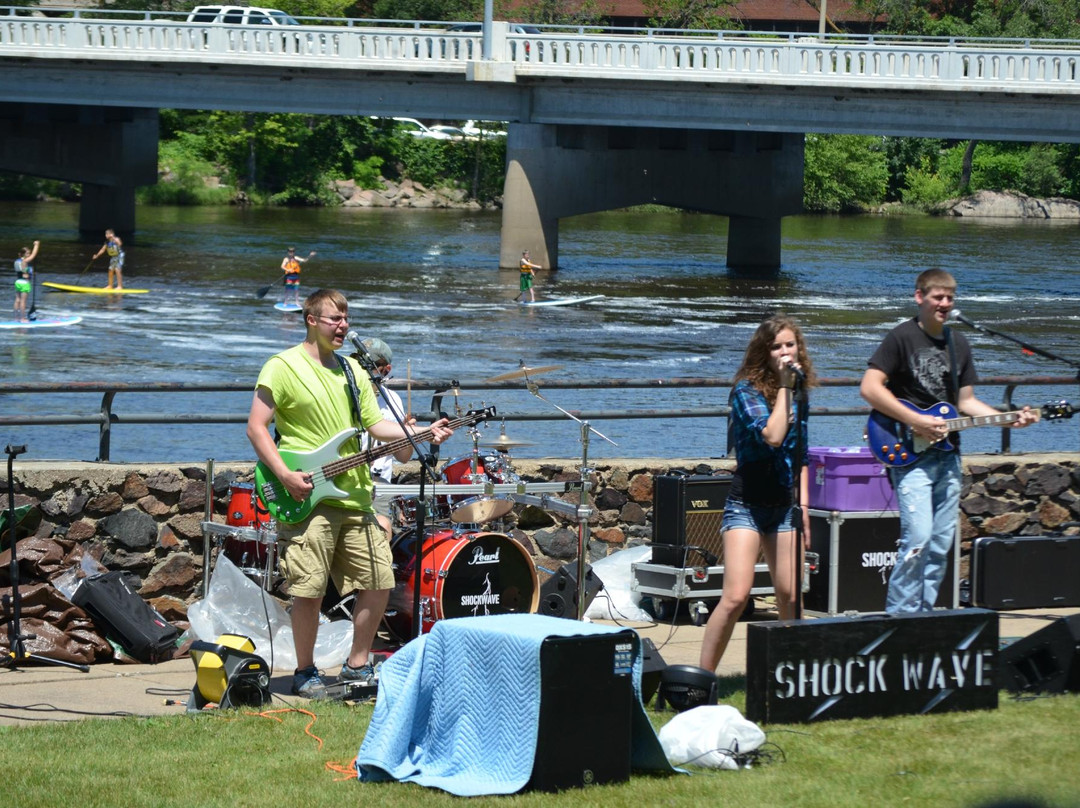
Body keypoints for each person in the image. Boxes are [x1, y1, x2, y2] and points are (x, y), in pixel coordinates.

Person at [246, 289, 453, 698]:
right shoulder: (282, 366)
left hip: (355, 494)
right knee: (309, 589)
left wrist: (423, 431)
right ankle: (305, 672)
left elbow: (378, 427)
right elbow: (256, 427)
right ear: (310, 320)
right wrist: (285, 474)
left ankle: (357, 665)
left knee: (379, 580)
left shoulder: (355, 372)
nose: (342, 325)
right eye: (333, 319)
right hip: (307, 495)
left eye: (345, 318)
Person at [860, 268, 1036, 614]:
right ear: (919, 297)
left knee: (941, 543)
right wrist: (916, 420)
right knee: (918, 538)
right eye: (937, 297)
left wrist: (1011, 419)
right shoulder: (901, 337)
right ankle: (900, 616)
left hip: (948, 455)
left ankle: (925, 617)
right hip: (910, 454)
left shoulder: (959, 343)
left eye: (949, 298)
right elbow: (869, 388)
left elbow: (966, 402)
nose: (944, 303)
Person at [699, 314, 815, 673]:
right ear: (763, 351)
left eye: (789, 345)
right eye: (777, 346)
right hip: (745, 505)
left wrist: (805, 505)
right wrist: (783, 387)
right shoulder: (745, 390)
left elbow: (801, 454)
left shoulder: (799, 392)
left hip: (783, 506)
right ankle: (700, 679)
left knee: (791, 595)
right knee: (735, 596)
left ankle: (789, 676)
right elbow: (773, 436)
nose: (784, 351)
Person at [356, 337, 413, 543]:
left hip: (380, 485)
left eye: (369, 366)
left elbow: (404, 457)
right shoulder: (345, 395)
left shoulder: (393, 400)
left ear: (385, 369)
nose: (362, 369)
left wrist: (408, 433)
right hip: (348, 480)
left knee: (382, 526)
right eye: (358, 362)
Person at [14, 240, 39, 323]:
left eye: (29, 253)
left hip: (18, 282)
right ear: (23, 254)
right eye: (27, 253)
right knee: (23, 301)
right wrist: (36, 245)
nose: (29, 255)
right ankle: (22, 318)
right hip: (25, 283)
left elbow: (24, 271)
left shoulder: (17, 261)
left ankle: (16, 318)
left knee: (17, 299)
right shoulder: (24, 261)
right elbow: (34, 255)